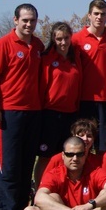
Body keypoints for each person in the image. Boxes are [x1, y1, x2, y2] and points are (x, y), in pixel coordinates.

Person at [0, 3, 44, 210]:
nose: (29, 24)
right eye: (25, 20)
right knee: (8, 165)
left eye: (32, 20)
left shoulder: (38, 45)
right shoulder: (2, 45)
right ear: (15, 20)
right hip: (9, 112)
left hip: (34, 112)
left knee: (26, 163)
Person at [73, 0, 106, 151]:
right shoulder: (77, 39)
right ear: (88, 15)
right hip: (84, 99)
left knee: (104, 146)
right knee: (83, 144)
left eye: (102, 14)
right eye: (95, 13)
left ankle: (103, 175)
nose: (99, 17)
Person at [35, 22, 82, 186]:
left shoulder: (76, 58)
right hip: (50, 114)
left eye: (66, 38)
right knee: (46, 156)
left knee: (67, 155)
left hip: (71, 115)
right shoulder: (46, 59)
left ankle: (62, 189)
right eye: (59, 39)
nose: (63, 42)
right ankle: (40, 192)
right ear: (53, 39)